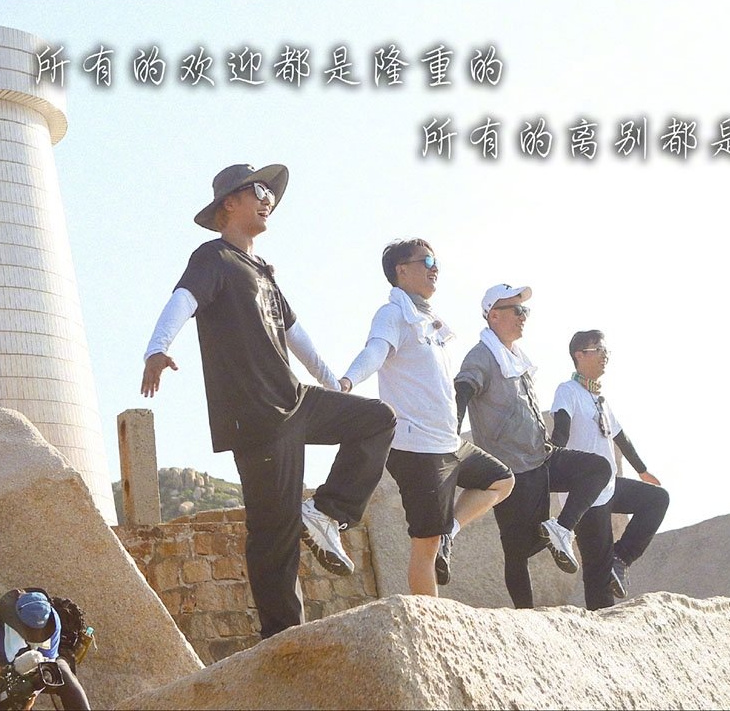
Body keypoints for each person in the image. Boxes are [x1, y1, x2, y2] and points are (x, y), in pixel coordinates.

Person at [140, 163, 395, 639]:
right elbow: (184, 299)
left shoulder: (263, 272)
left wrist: (333, 383)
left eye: (271, 195)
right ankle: (282, 639)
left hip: (296, 400)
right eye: (257, 190)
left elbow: (297, 336)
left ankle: (328, 512)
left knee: (377, 418)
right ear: (228, 203)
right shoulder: (213, 257)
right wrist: (157, 348)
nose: (267, 200)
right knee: (275, 534)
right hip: (255, 417)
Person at [339, 239, 514, 595]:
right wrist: (347, 380)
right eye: (428, 261)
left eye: (436, 262)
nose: (436, 269)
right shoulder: (393, 314)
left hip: (448, 441)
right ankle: (430, 619)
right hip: (416, 447)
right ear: (402, 270)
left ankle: (451, 531)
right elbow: (375, 351)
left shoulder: (429, 321)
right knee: (425, 545)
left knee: (501, 480)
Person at [454, 284, 611, 609]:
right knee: (517, 550)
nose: (523, 316)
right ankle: (524, 615)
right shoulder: (481, 355)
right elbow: (463, 390)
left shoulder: (516, 357)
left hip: (541, 457)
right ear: (494, 316)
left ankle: (561, 528)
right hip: (511, 468)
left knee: (597, 469)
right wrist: (450, 435)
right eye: (517, 310)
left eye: (524, 310)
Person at [550, 330, 670, 610]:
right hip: (585, 495)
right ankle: (600, 622)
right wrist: (553, 451)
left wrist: (642, 471)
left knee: (656, 499)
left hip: (610, 486)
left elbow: (620, 436)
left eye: (606, 351)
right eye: (599, 350)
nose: (605, 356)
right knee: (597, 569)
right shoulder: (568, 391)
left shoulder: (598, 398)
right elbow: (561, 425)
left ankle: (622, 557)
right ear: (580, 355)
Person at [0, 589, 88, 710]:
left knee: (63, 676)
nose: (33, 636)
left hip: (35, 669)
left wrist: (33, 695)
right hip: (0, 667)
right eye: (30, 631)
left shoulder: (53, 620)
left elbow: (47, 668)